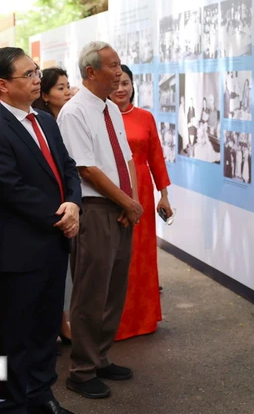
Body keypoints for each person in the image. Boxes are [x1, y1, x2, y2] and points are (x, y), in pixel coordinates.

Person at [0, 48, 81, 414]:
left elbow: (67, 167)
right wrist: (61, 215)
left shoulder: (47, 120)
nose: (38, 78)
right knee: (17, 334)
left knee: (46, 328)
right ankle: (14, 402)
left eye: (37, 72)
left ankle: (41, 395)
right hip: (20, 250)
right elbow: (11, 189)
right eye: (29, 74)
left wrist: (74, 203)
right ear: (3, 85)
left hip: (53, 243)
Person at [57, 42, 142, 399]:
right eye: (113, 65)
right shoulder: (75, 112)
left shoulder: (109, 107)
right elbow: (86, 168)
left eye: (120, 65)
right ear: (91, 72)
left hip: (119, 208)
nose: (119, 72)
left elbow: (125, 159)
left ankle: (100, 357)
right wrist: (127, 202)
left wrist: (131, 202)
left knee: (113, 290)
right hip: (94, 210)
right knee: (91, 293)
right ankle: (81, 370)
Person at [109, 65, 172, 340]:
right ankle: (115, 322)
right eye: (115, 84)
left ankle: (144, 319)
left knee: (141, 255)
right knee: (117, 256)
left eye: (126, 83)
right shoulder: (101, 117)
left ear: (133, 85)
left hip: (143, 191)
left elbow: (156, 158)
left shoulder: (145, 117)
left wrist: (165, 195)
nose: (120, 89)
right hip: (112, 191)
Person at [32, 66, 75, 346]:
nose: (67, 91)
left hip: (67, 208)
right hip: (47, 215)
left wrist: (73, 202)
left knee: (65, 276)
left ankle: (61, 323)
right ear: (45, 95)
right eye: (60, 87)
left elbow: (70, 167)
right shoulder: (45, 122)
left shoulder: (59, 121)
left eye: (68, 86)